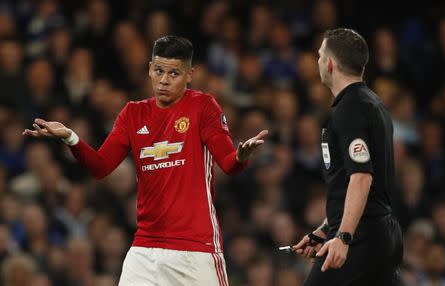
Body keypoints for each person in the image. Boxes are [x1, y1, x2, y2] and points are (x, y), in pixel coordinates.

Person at [23, 35, 268, 286]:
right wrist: (71, 138)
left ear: (189, 74)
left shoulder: (203, 107)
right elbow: (100, 167)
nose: (164, 80)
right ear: (150, 68)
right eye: (159, 70)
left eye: (174, 73)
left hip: (195, 249)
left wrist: (241, 156)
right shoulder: (133, 113)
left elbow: (228, 164)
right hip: (144, 249)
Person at [292, 28, 403, 285]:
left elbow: (362, 177)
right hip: (381, 232)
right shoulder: (372, 103)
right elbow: (348, 182)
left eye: (320, 56)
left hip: (361, 236)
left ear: (330, 64)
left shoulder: (349, 108)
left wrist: (343, 236)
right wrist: (324, 229)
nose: (318, 61)